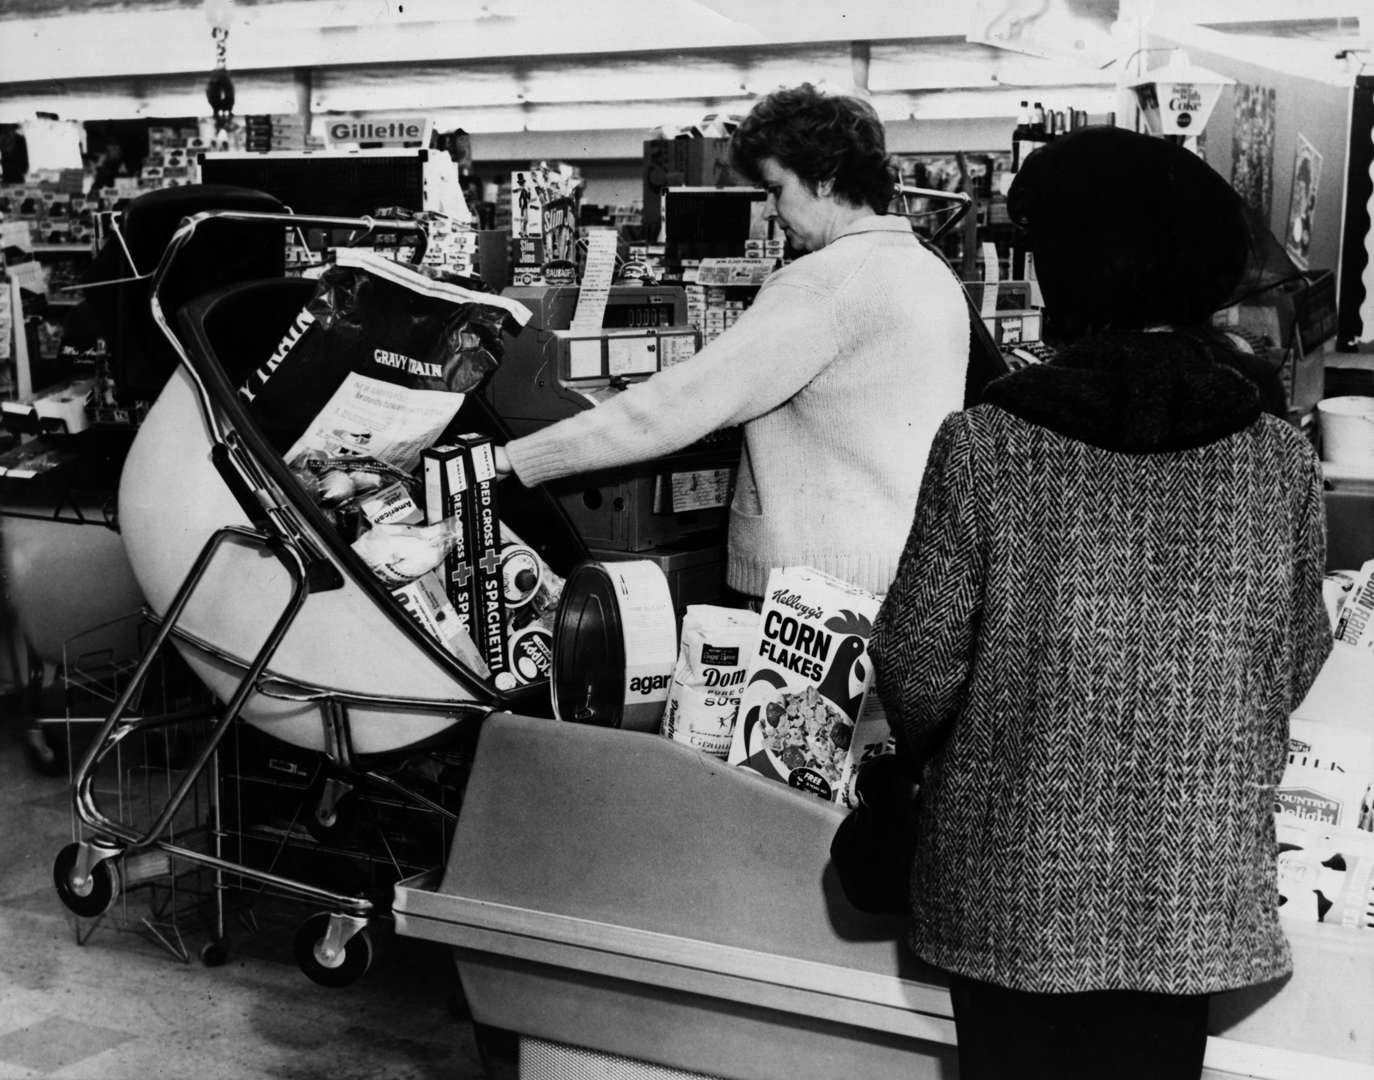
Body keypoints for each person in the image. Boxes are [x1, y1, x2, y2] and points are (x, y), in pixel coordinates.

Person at [868, 126, 1332, 1080]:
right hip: (1188, 886)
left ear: (1081, 269)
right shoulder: (1276, 455)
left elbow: (915, 667)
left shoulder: (988, 446)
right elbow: (1295, 657)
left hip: (1012, 882)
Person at [493, 83, 970, 598]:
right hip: (909, 570)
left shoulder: (822, 283)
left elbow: (678, 405)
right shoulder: (932, 272)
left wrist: (517, 458)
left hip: (812, 593)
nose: (768, 211)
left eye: (775, 189)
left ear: (826, 180)